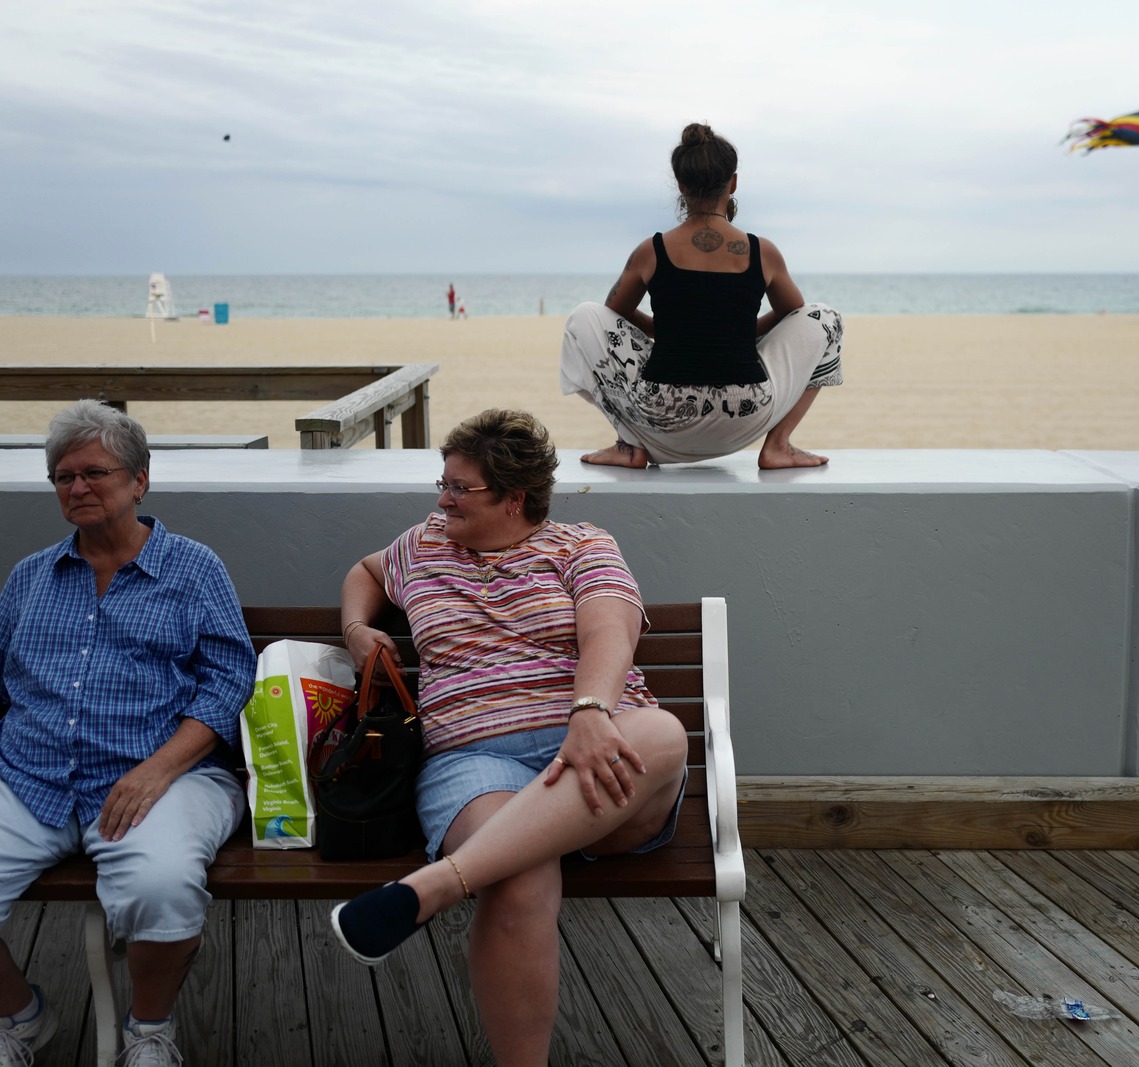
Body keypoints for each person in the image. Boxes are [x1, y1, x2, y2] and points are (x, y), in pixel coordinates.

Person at [331, 409, 688, 1067]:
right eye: (442, 482)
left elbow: (610, 633)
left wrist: (589, 712)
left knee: (663, 732)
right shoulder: (423, 544)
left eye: (459, 488)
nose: (442, 499)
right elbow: (366, 570)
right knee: (519, 877)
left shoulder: (581, 545)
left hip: (594, 752)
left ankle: (438, 885)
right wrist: (357, 628)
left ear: (515, 498)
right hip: (474, 759)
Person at [0, 401, 254, 1067]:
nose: (77, 487)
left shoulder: (194, 568)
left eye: (94, 472)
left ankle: (149, 1027)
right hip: (32, 776)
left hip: (165, 774)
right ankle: (21, 1015)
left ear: (139, 479)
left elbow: (229, 679)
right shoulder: (29, 577)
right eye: (62, 476)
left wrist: (160, 768)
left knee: (163, 882)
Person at [560, 122, 843, 469]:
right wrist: (744, 332)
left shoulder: (652, 250)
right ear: (733, 183)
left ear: (680, 185)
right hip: (746, 412)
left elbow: (612, 313)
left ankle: (628, 444)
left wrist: (663, 331)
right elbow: (793, 311)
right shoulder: (762, 252)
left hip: (662, 416)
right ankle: (778, 445)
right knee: (825, 317)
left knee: (583, 317)